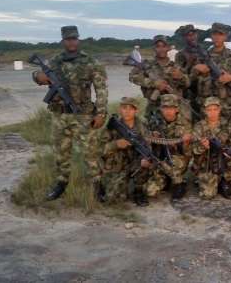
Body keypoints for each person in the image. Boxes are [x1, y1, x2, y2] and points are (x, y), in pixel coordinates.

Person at [32, 25, 108, 201]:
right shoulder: (54, 61)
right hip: (60, 116)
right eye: (68, 39)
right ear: (63, 41)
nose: (71, 42)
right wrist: (38, 76)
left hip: (83, 115)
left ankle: (98, 184)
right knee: (61, 151)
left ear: (78, 40)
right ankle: (62, 183)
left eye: (74, 38)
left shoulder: (91, 62)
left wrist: (101, 113)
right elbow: (37, 75)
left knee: (90, 152)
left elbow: (101, 89)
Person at [98, 97, 149, 205]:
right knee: (113, 199)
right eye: (124, 108)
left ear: (136, 111)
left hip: (135, 161)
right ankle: (100, 184)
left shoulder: (142, 125)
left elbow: (147, 145)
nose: (127, 111)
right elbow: (99, 150)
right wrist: (115, 144)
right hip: (118, 164)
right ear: (120, 109)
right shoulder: (112, 126)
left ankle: (138, 191)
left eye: (131, 108)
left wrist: (146, 158)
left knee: (145, 163)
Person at [190, 23, 231, 118]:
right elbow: (191, 82)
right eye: (214, 34)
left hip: (227, 107)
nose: (217, 37)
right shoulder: (201, 57)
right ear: (211, 36)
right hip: (206, 107)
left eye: (220, 34)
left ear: (225, 36)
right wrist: (195, 70)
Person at [129, 35, 190, 120]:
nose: (161, 49)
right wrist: (153, 83)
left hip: (174, 109)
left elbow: (187, 83)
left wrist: (180, 76)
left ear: (168, 48)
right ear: (154, 48)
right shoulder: (147, 65)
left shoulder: (175, 66)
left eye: (164, 46)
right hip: (154, 108)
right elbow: (132, 77)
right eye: (158, 46)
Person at [147, 94, 193, 202]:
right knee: (150, 191)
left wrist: (183, 144)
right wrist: (152, 136)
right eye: (165, 108)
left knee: (171, 163)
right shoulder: (154, 122)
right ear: (161, 109)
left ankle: (179, 183)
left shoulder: (184, 124)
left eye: (171, 108)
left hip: (178, 160)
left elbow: (188, 153)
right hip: (159, 158)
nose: (168, 111)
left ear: (176, 109)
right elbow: (145, 139)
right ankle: (166, 180)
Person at [191, 97, 231, 199]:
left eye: (215, 109)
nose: (212, 112)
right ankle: (208, 179)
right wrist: (202, 146)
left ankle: (225, 181)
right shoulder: (198, 126)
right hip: (206, 163)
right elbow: (193, 149)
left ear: (220, 109)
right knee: (208, 195)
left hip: (222, 160)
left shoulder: (226, 124)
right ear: (205, 111)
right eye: (209, 110)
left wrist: (228, 150)